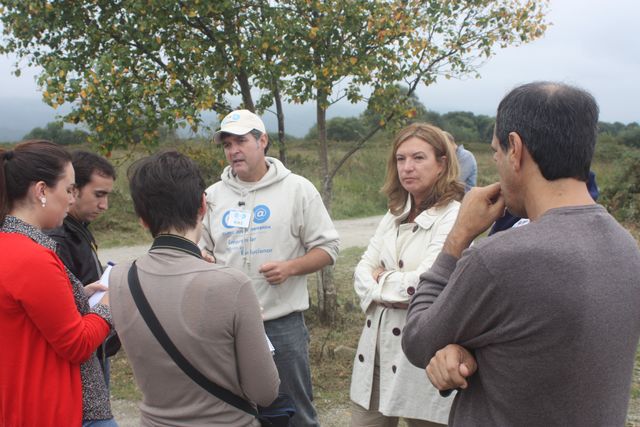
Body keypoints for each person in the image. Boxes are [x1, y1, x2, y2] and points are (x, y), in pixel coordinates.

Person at [401, 82, 640, 426]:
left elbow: (418, 340)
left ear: (516, 149)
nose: (495, 162)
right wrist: (471, 352)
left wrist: (458, 237)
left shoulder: (502, 258)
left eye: (496, 151)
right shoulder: (624, 245)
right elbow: (539, 347)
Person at [108, 150, 280, 426]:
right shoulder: (232, 284)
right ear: (203, 205)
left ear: (141, 218)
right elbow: (265, 391)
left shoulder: (119, 277)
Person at [200, 109, 340, 427]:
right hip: (227, 326)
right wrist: (204, 258)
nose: (233, 150)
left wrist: (291, 267)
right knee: (235, 413)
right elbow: (201, 247)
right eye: (227, 144)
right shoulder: (213, 196)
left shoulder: (298, 190)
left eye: (241, 141)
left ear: (262, 141)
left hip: (282, 324)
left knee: (294, 412)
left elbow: (329, 249)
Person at [350, 123, 464, 426]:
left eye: (418, 158)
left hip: (423, 350)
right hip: (375, 346)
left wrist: (381, 280)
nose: (407, 167)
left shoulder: (454, 215)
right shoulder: (394, 212)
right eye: (400, 159)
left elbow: (430, 281)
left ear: (441, 164)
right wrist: (391, 288)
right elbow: (361, 271)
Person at [0, 140, 112, 427]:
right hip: (55, 407)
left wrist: (76, 295)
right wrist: (107, 307)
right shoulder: (32, 257)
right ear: (41, 191)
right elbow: (76, 344)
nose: (72, 200)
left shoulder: (10, 244)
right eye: (68, 189)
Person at [45, 150, 119, 378]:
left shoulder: (78, 228)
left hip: (95, 346)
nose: (104, 205)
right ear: (74, 190)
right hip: (83, 354)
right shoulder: (59, 237)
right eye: (98, 194)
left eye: (107, 196)